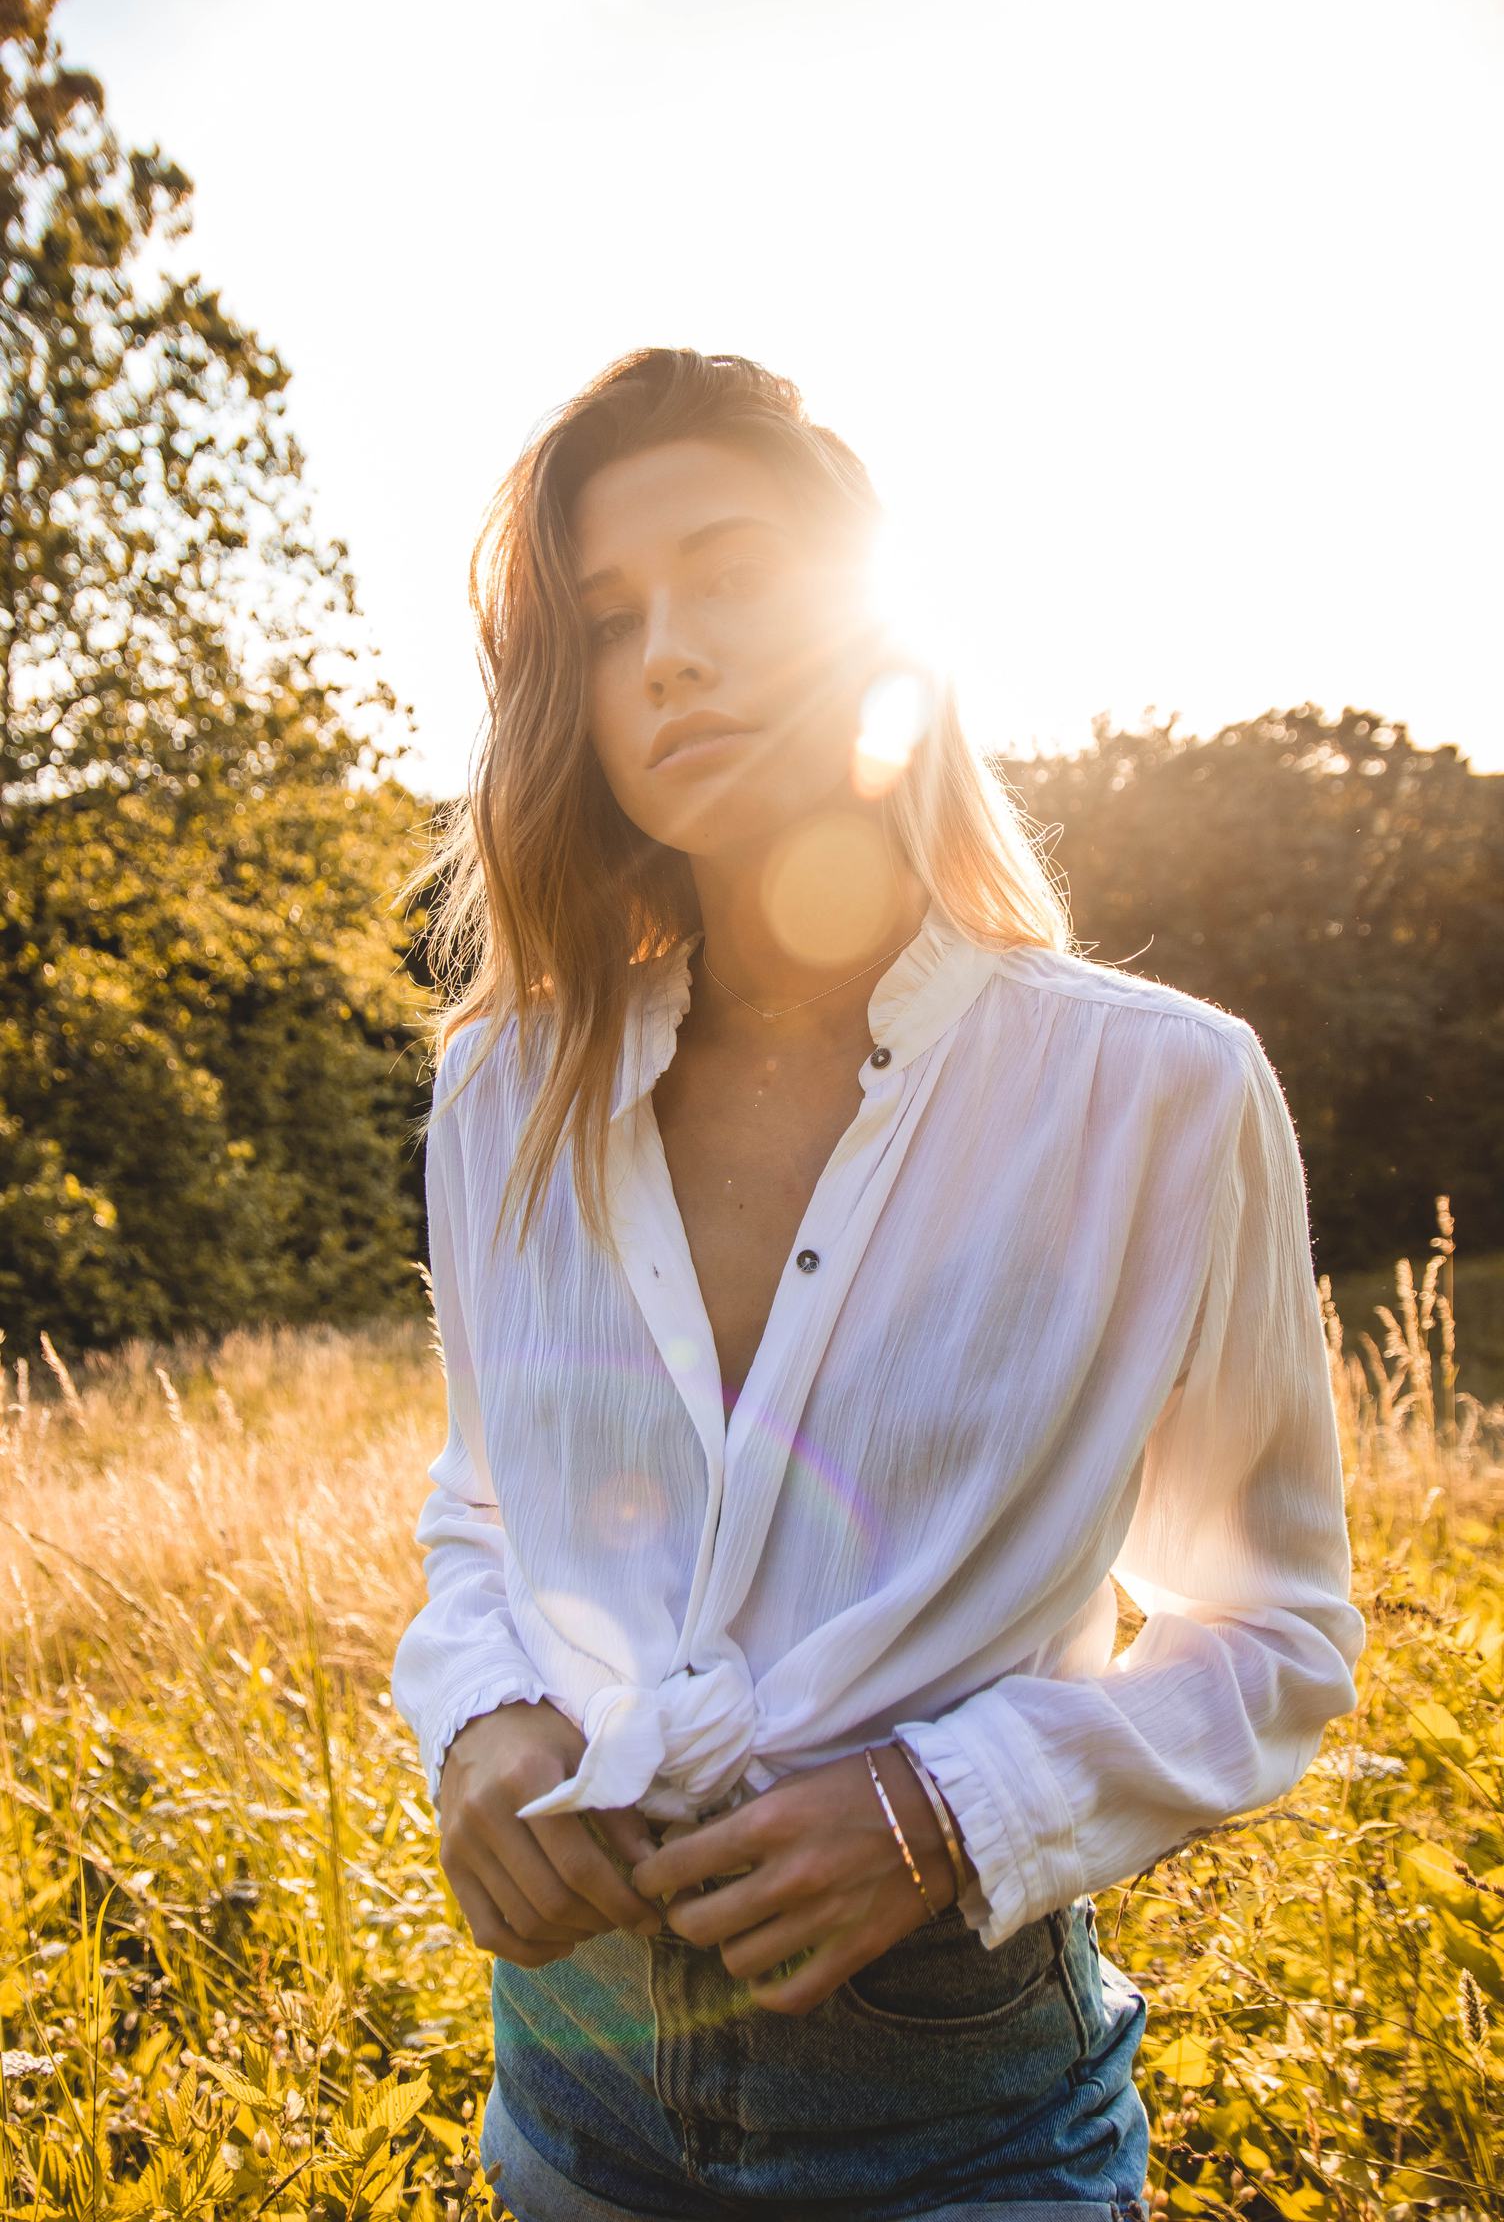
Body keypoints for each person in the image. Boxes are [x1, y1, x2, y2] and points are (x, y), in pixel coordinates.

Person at [390, 347, 1365, 2222]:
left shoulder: (1157, 1094)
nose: (669, 651)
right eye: (607, 623)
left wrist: (946, 1809)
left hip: (959, 2116)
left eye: (734, 575)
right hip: (572, 2086)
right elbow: (485, 1507)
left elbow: (1275, 1635)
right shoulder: (499, 1087)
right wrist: (485, 1715)